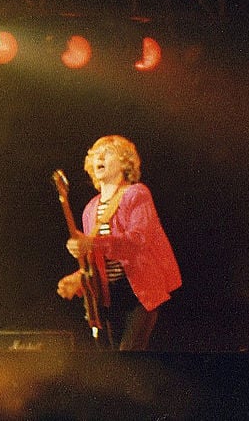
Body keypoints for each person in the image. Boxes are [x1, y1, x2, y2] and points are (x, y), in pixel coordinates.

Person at [57, 135, 181, 350]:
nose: (100, 157)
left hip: (139, 293)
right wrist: (79, 279)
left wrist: (91, 243)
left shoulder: (137, 194)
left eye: (108, 152)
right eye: (96, 154)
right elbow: (96, 260)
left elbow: (138, 240)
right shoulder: (90, 209)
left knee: (129, 353)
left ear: (125, 163)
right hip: (108, 296)